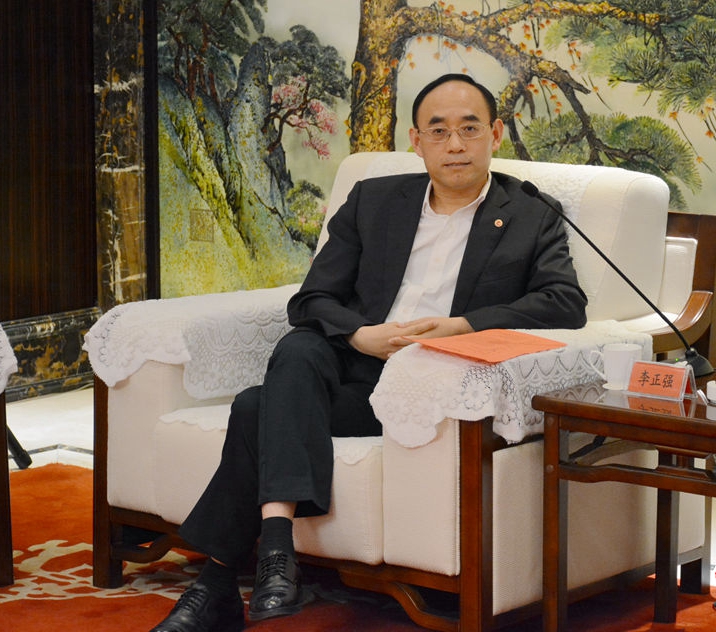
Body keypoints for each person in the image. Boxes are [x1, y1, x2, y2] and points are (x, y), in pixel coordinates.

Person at [150, 73, 588, 632]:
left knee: (257, 407)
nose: (455, 145)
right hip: (352, 370)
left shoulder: (531, 211)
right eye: (439, 131)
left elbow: (564, 302)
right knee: (299, 347)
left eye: (470, 129)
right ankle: (276, 555)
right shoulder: (375, 200)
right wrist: (362, 334)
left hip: (424, 388)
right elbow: (312, 299)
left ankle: (221, 582)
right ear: (416, 140)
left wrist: (461, 328)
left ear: (495, 134)